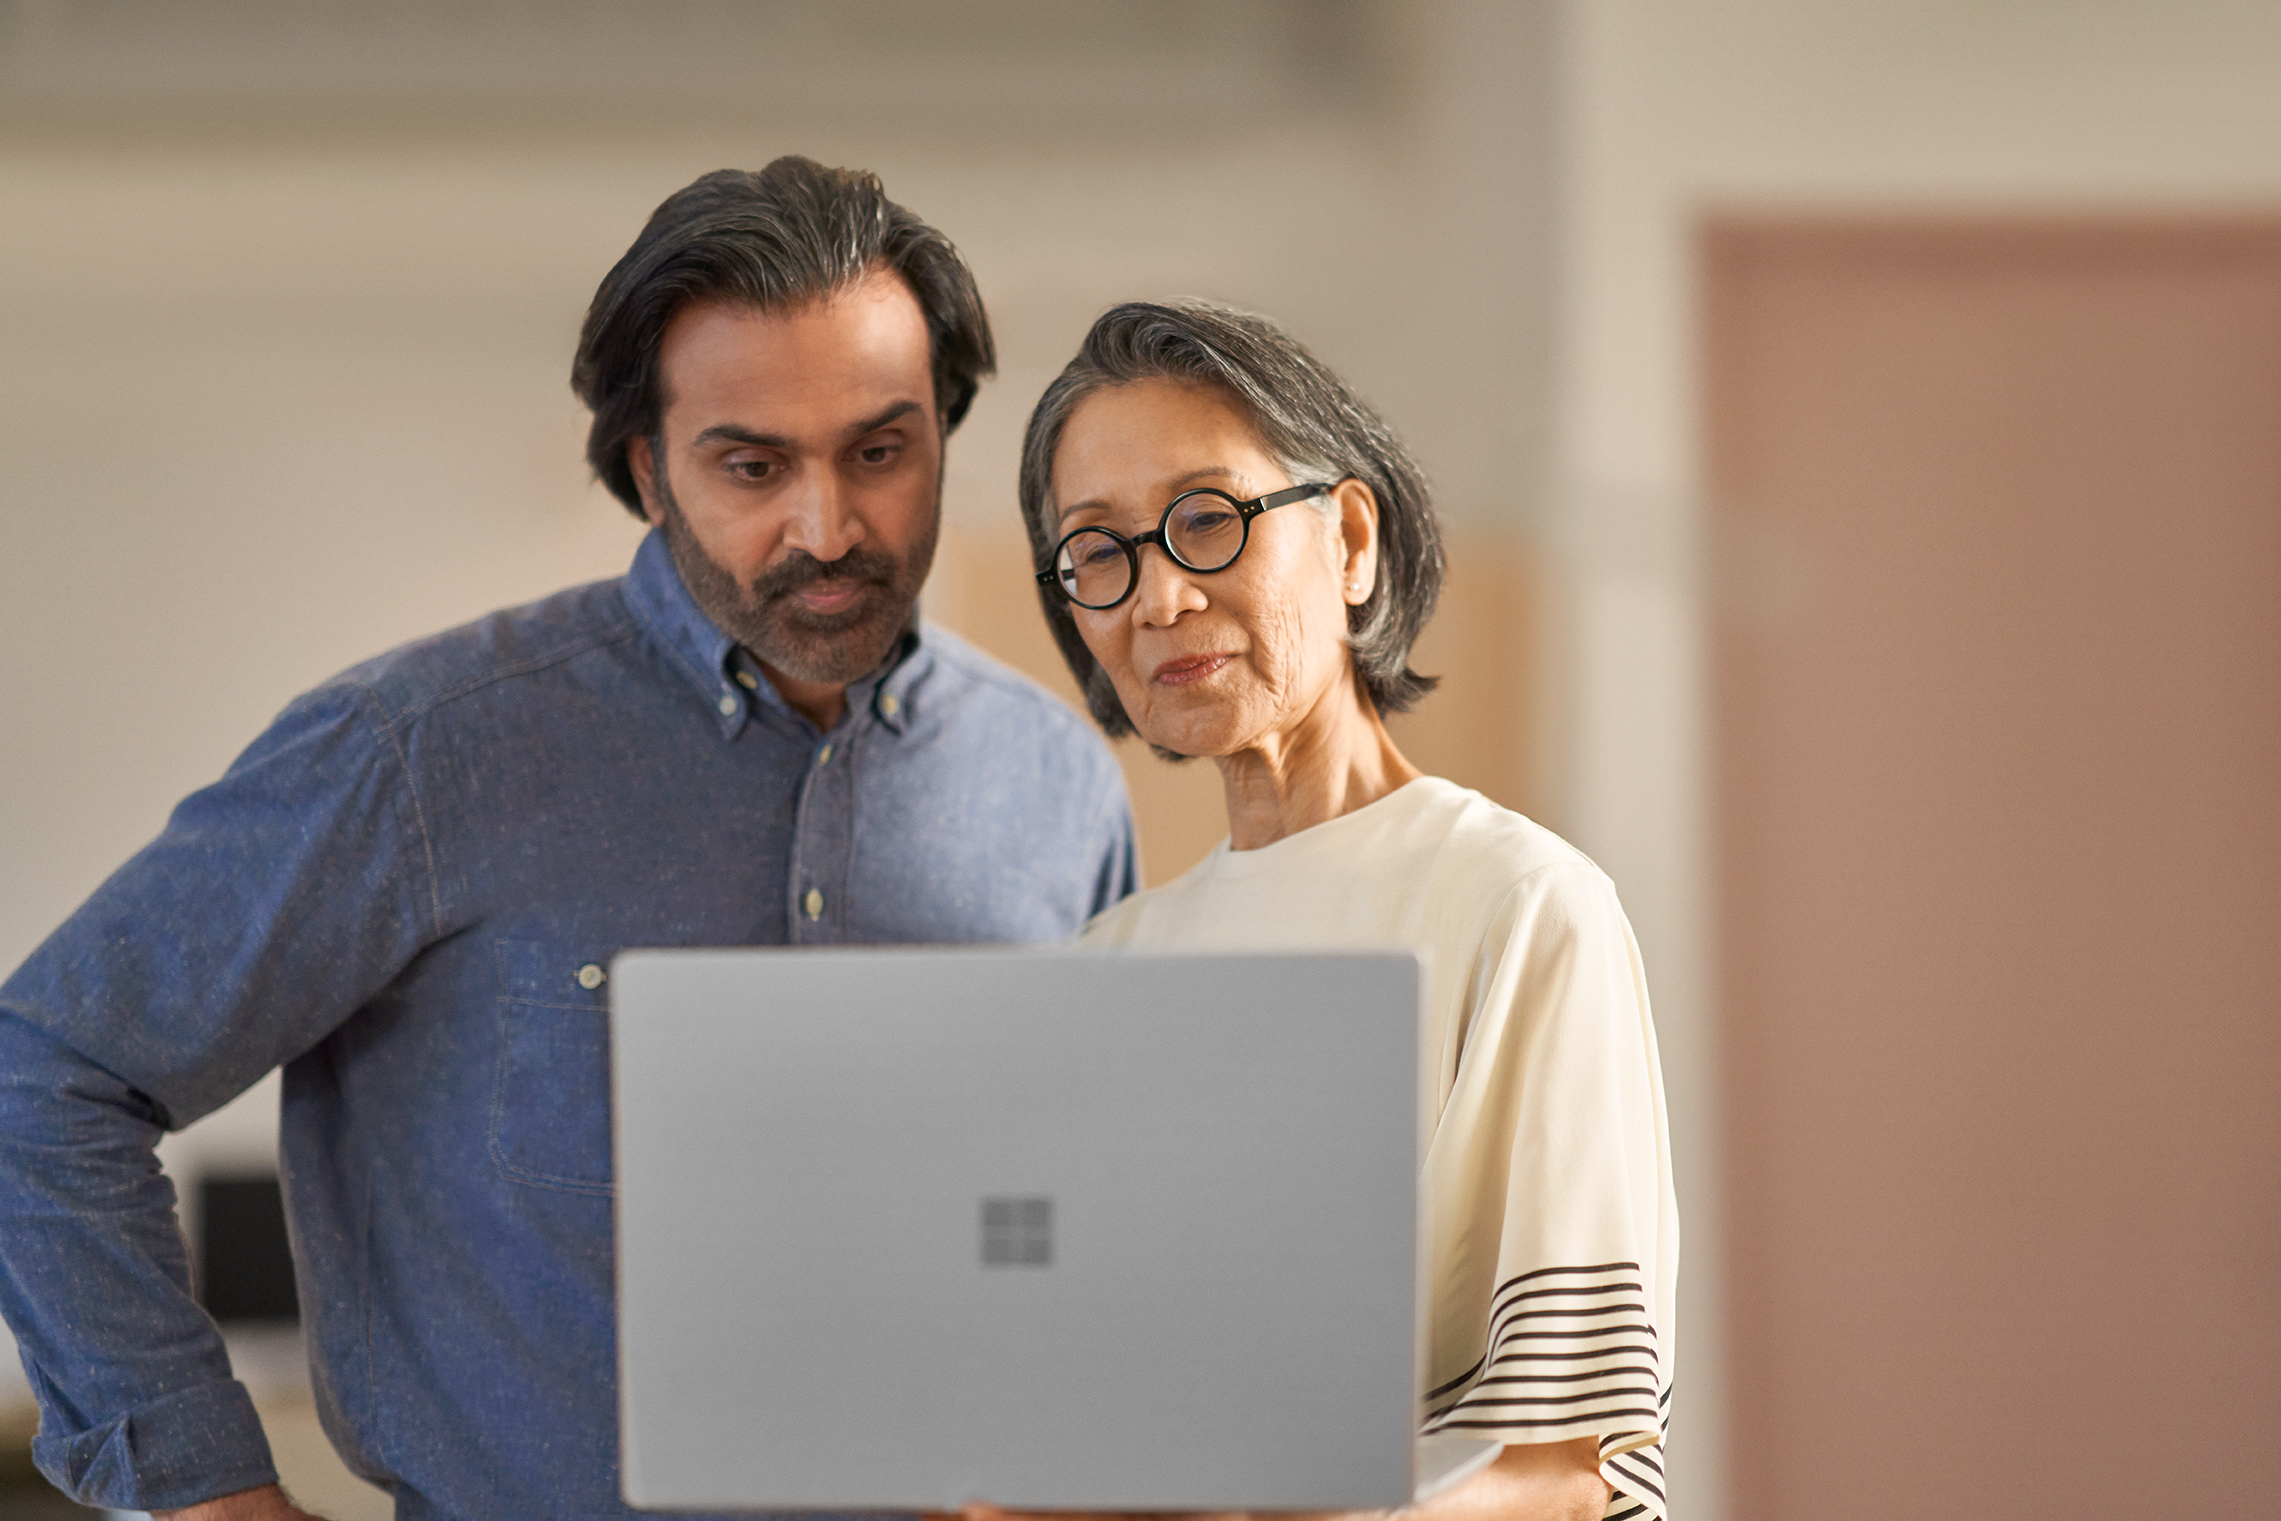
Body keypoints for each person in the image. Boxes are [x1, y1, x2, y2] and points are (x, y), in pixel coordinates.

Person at [0, 159, 1136, 1519]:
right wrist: (206, 1489)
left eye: (879, 452)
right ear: (649, 470)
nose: (827, 526)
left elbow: (1077, 1233)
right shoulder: (423, 749)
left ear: (945, 434)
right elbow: (44, 1076)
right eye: (751, 465)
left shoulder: (1061, 784)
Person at [1000, 300, 1677, 1521]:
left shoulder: (1519, 910)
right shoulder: (1104, 965)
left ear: (1351, 540)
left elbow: (1566, 1471)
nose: (1155, 601)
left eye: (1205, 521)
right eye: (1099, 553)